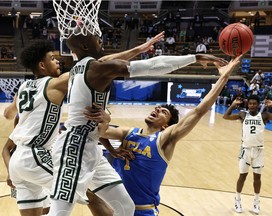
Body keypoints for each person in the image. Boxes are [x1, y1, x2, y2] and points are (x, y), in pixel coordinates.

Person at [47, 26, 229, 215]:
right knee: (59, 213)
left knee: (126, 207)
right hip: (73, 148)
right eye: (95, 37)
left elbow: (112, 59)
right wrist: (196, 58)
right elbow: (151, 65)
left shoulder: (82, 67)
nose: (100, 38)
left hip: (90, 146)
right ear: (85, 45)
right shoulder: (97, 68)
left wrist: (139, 49)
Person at [93, 56, 242, 215]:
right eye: (157, 108)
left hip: (142, 211)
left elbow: (199, 111)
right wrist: (109, 137)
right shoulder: (128, 133)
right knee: (90, 194)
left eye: (163, 112)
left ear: (166, 125)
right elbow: (98, 131)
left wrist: (224, 77)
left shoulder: (163, 139)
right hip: (117, 208)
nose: (157, 110)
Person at [3, 40, 116, 216]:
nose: (58, 61)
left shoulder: (23, 88)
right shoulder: (54, 83)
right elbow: (94, 68)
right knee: (87, 194)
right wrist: (135, 52)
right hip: (34, 156)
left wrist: (20, 110)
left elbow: (8, 114)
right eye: (53, 58)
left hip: (17, 162)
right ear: (42, 65)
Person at [223, 95, 272, 214]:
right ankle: (237, 200)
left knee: (257, 178)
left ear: (258, 105)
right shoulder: (243, 115)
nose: (252, 105)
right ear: (248, 104)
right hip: (245, 150)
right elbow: (225, 116)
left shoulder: (264, 116)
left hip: (259, 151)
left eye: (254, 103)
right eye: (250, 103)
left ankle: (256, 203)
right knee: (242, 176)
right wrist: (232, 105)